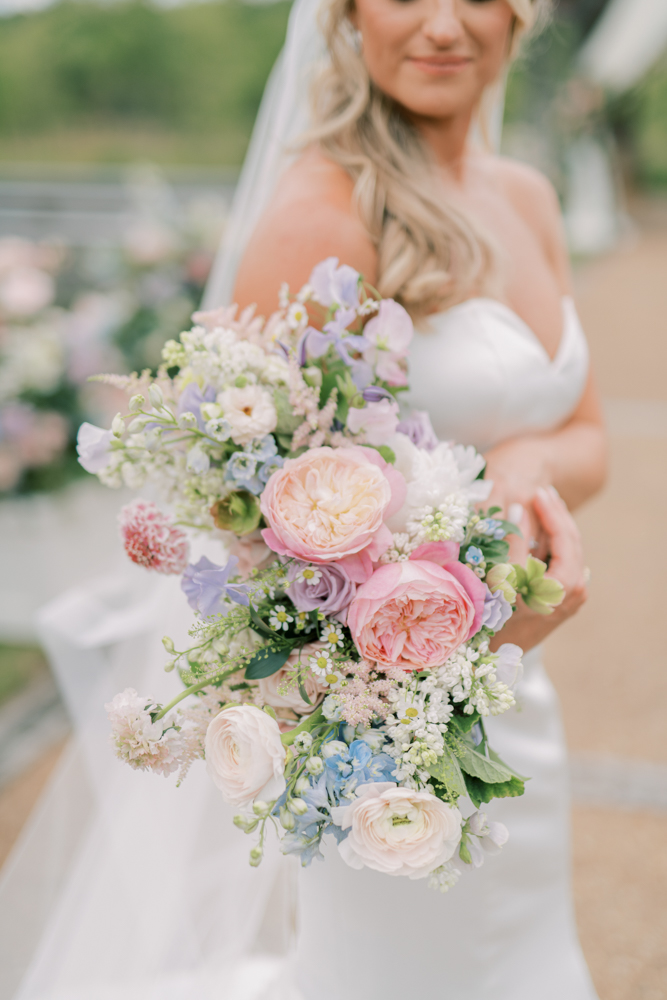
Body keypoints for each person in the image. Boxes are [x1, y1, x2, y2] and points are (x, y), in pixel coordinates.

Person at [229, 0, 606, 996]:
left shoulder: (526, 195)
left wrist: (523, 465)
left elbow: (591, 438)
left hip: (519, 682)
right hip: (384, 732)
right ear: (347, 15)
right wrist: (452, 657)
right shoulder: (322, 210)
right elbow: (251, 529)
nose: (441, 24)